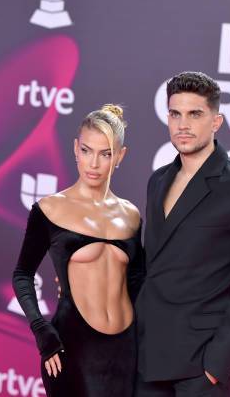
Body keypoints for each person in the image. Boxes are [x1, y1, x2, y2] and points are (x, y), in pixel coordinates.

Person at [134, 72, 230, 396]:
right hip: (145, 356)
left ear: (216, 121)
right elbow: (150, 268)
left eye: (194, 114)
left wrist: (217, 366)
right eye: (175, 114)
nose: (182, 124)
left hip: (200, 366)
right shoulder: (157, 181)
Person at [12, 104, 143, 397]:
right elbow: (22, 274)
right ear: (75, 148)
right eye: (86, 150)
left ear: (120, 156)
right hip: (72, 346)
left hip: (126, 350)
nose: (93, 163)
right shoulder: (50, 208)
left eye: (105, 153)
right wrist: (41, 330)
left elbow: (137, 283)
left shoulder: (132, 215)